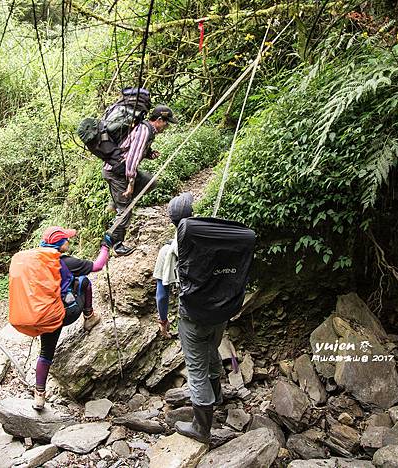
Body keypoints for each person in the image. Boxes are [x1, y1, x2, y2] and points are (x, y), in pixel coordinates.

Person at [158, 194, 256, 444]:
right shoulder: (216, 239)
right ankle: (218, 397)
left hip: (193, 317)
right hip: (220, 313)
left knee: (196, 368)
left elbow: (162, 292)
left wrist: (163, 320)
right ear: (193, 214)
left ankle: (201, 428)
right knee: (211, 350)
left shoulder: (170, 249)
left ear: (172, 221)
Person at [32, 226, 110, 410]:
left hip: (44, 314)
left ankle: (39, 397)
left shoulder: (37, 259)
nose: (69, 241)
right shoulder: (65, 261)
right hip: (65, 313)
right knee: (83, 281)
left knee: (45, 354)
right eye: (66, 239)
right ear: (60, 244)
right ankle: (89, 316)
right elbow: (97, 266)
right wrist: (105, 247)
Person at [103, 105, 178, 256]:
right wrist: (131, 184)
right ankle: (115, 244)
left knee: (150, 182)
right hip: (117, 172)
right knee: (125, 210)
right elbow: (132, 158)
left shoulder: (147, 130)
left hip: (120, 170)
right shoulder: (144, 130)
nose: (167, 126)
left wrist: (150, 154)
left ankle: (117, 203)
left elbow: (133, 147)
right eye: (166, 122)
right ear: (158, 120)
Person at [153, 192, 194, 338]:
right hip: (217, 305)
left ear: (172, 221)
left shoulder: (167, 251)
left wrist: (163, 321)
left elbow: (162, 295)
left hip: (191, 309)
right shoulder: (206, 236)